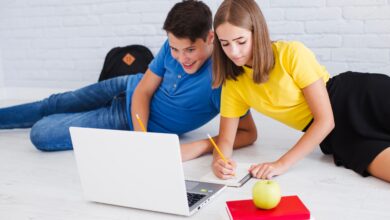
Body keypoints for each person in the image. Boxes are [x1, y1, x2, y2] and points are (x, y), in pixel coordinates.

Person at [0, 0, 257, 161]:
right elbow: (143, 91)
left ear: (210, 38)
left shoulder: (224, 80)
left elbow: (249, 133)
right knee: (55, 102)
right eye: (174, 49)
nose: (180, 58)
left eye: (189, 50)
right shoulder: (174, 47)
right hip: (126, 88)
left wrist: (203, 145)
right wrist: (142, 139)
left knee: (42, 134)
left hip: (122, 118)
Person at [210, 0, 390, 182]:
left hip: (360, 99)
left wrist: (280, 164)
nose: (233, 51)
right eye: (225, 44)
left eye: (241, 41)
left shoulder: (290, 53)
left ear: (257, 33)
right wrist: (219, 161)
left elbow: (326, 120)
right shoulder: (234, 83)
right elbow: (225, 141)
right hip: (337, 138)